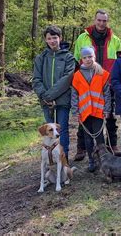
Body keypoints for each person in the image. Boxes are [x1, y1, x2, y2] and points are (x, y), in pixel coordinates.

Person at [73, 9, 121, 160]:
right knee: (85, 115)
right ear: (95, 20)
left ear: (107, 21)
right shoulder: (82, 38)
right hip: (86, 83)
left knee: (109, 115)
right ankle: (81, 148)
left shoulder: (115, 39)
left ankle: (112, 144)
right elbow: (76, 61)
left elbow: (120, 62)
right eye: (99, 20)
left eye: (104, 21)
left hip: (107, 83)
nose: (101, 23)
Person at [33, 25, 76, 161]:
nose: (52, 41)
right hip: (46, 103)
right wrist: (45, 97)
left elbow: (67, 78)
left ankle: (64, 161)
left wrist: (50, 96)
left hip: (62, 101)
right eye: (49, 38)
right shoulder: (41, 58)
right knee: (49, 132)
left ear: (60, 38)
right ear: (46, 40)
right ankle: (51, 161)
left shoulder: (68, 57)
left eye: (55, 38)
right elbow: (36, 79)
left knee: (61, 131)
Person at [71, 47, 111, 172]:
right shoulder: (77, 75)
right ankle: (91, 161)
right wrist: (75, 111)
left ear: (94, 57)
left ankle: (103, 160)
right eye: (85, 57)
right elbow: (74, 94)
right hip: (85, 112)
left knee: (99, 137)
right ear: (81, 59)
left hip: (98, 111)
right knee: (87, 138)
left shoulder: (101, 73)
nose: (88, 59)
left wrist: (107, 109)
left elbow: (107, 93)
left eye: (90, 57)